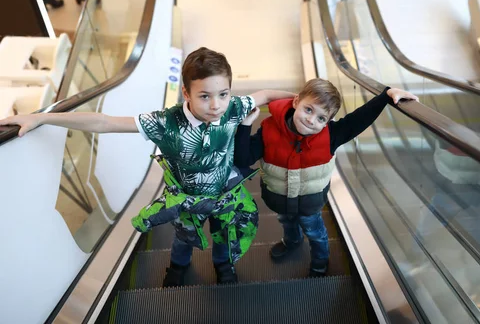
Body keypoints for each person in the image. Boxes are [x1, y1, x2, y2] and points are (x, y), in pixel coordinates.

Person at [0, 47, 296, 286]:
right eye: (205, 96)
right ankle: (178, 267)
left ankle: (223, 266)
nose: (216, 105)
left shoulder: (233, 108)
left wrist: (306, 103)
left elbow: (266, 96)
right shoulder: (167, 123)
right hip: (183, 200)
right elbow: (105, 123)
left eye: (223, 94)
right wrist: (41, 118)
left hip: (222, 196)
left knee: (222, 232)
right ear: (186, 93)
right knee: (182, 238)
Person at [233, 78, 418, 276]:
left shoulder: (331, 135)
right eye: (308, 110)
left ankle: (320, 260)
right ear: (296, 102)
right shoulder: (269, 130)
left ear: (328, 122)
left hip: (310, 203)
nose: (311, 120)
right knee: (287, 222)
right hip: (279, 199)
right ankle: (292, 241)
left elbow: (359, 119)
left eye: (321, 118)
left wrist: (385, 96)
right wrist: (245, 125)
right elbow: (243, 159)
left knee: (316, 233)